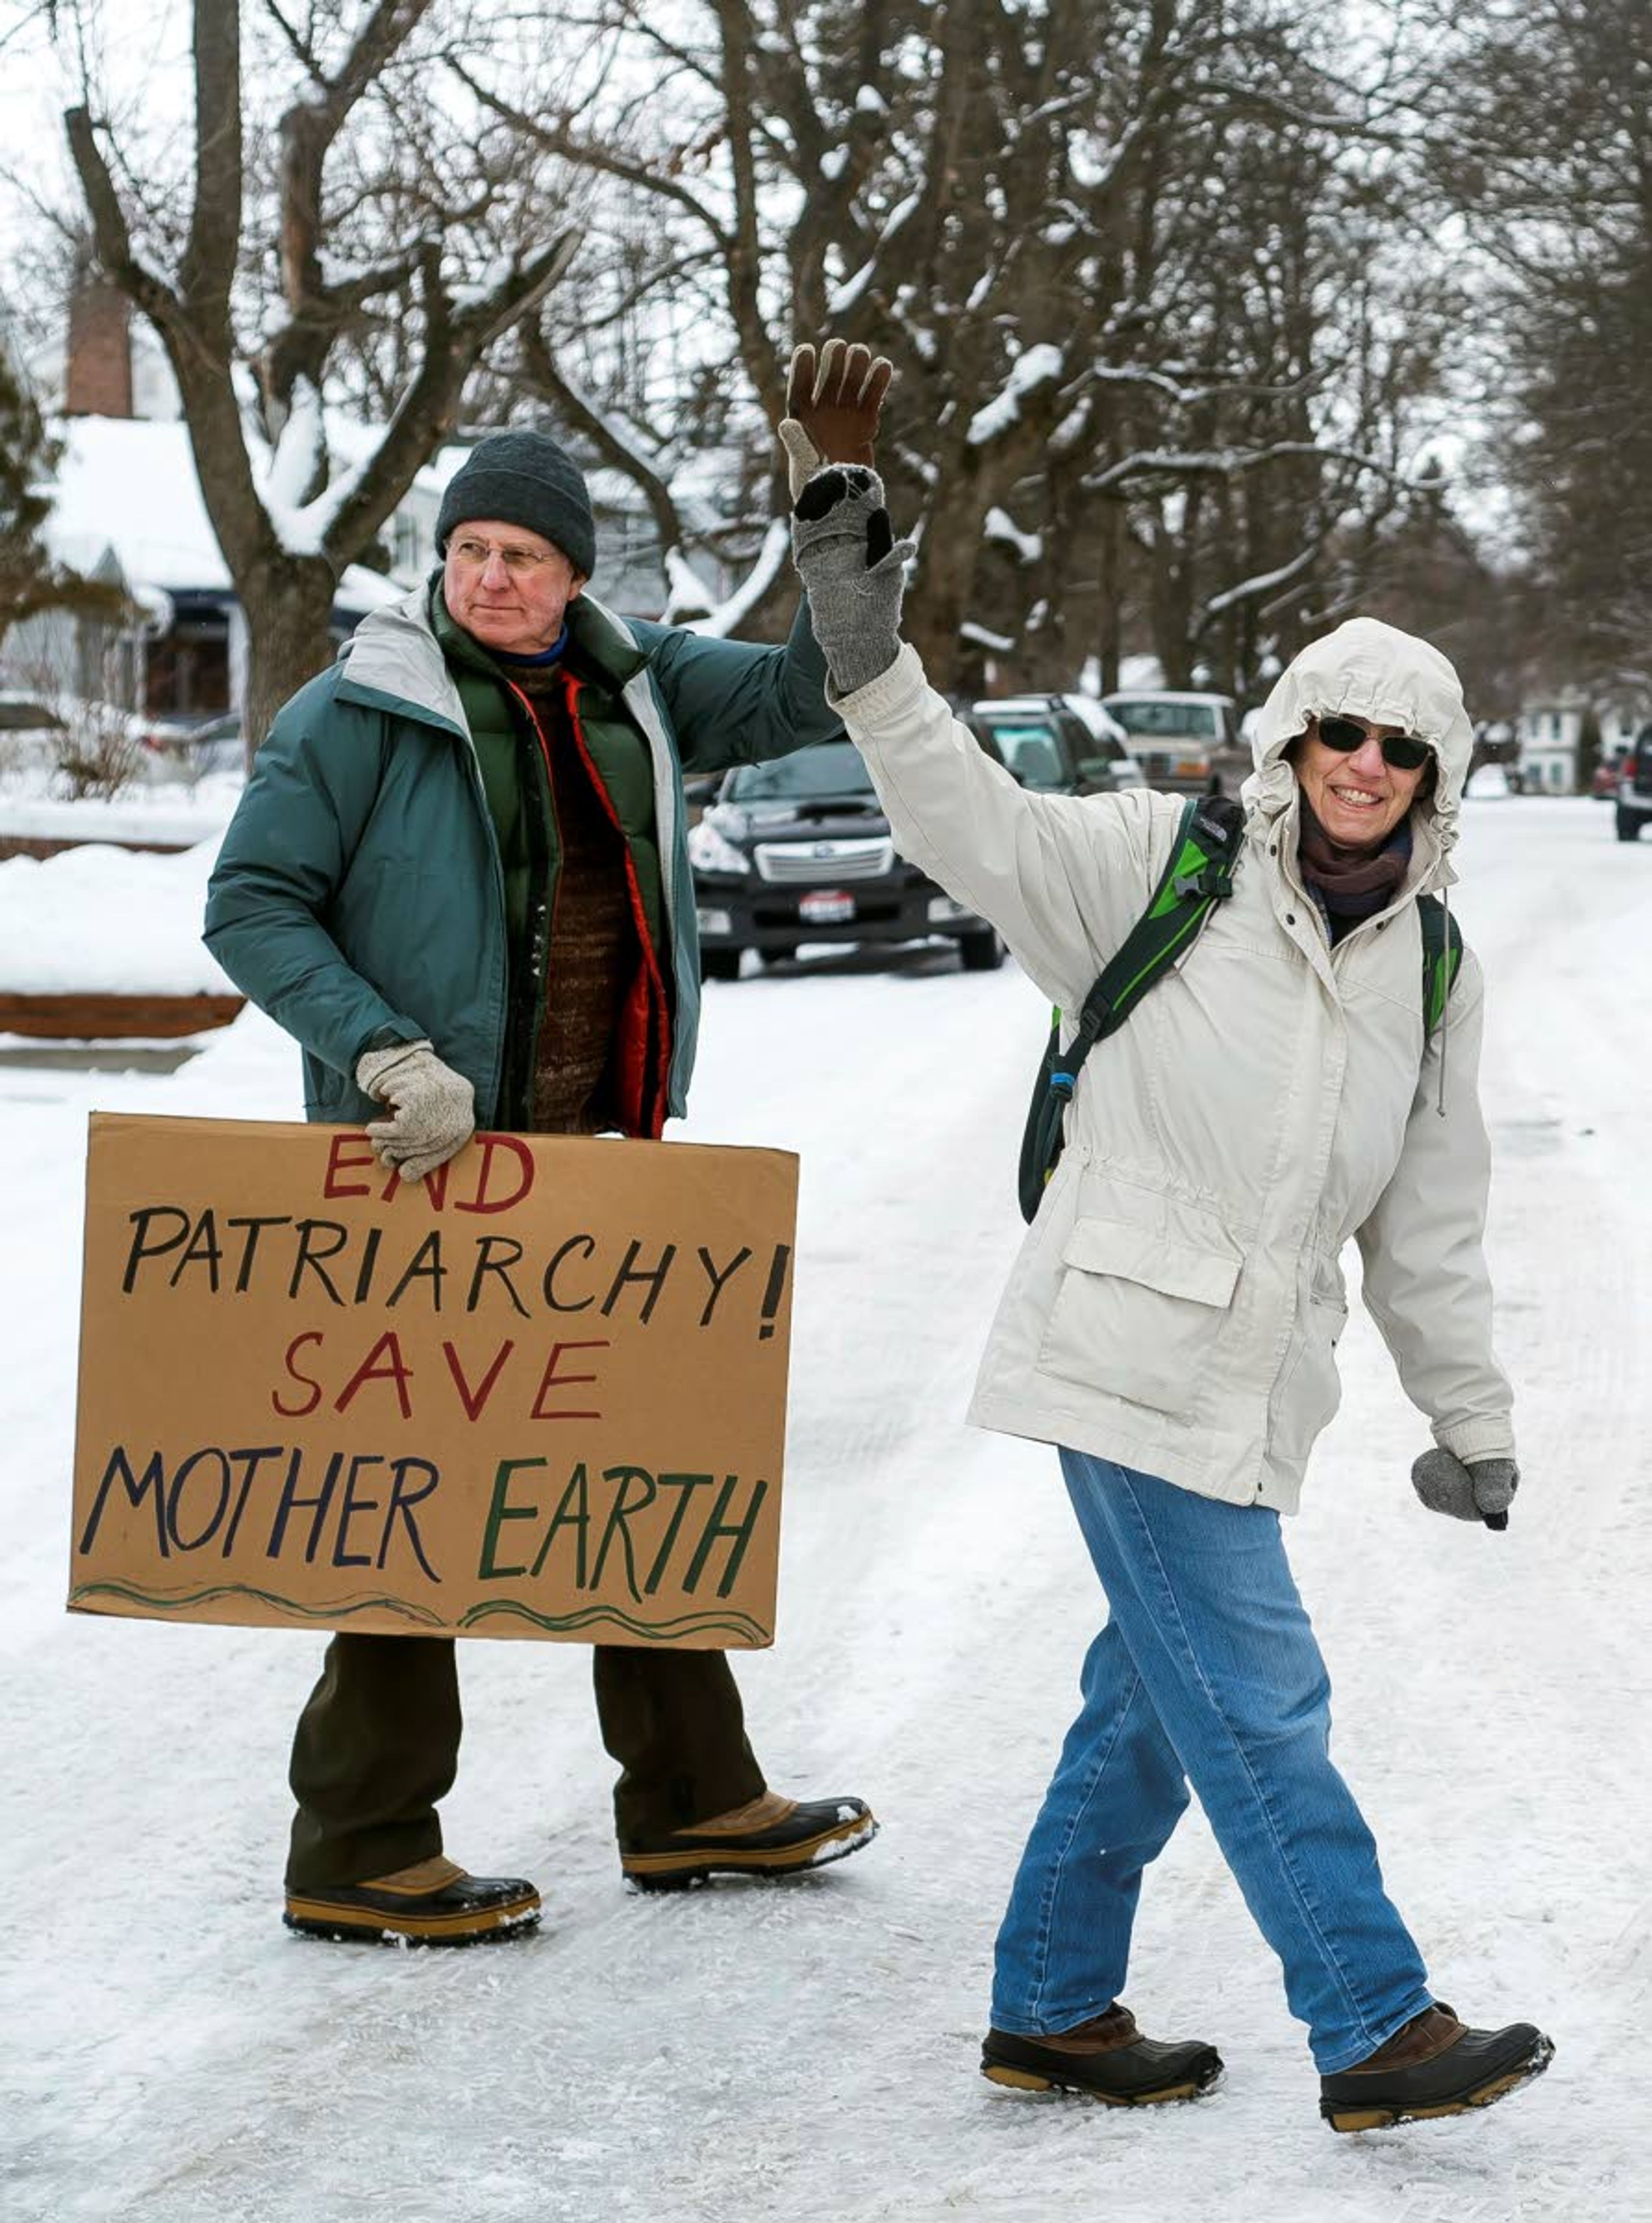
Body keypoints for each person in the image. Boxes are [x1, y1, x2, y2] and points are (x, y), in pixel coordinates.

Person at [785, 460, 1553, 2131]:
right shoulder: (1159, 868)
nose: (1365, 763)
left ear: (1436, 777)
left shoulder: (1431, 964)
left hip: (1259, 1383)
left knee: (1154, 1701)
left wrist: (1468, 1413)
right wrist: (867, 650)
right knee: (1262, 1694)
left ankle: (1051, 2008)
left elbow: (1430, 1219)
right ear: (1292, 739)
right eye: (1342, 730)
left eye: (1400, 745)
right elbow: (965, 813)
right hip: (1125, 1354)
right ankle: (1373, 2019)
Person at [203, 345, 892, 1946]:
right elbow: (251, 902)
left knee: (634, 1474)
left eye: (522, 554)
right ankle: (362, 1842)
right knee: (409, 1495)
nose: (493, 577)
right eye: (470, 551)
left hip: (594, 1152)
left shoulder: (640, 682)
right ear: (441, 564)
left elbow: (818, 688)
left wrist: (841, 521)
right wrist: (379, 1051)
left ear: (574, 572)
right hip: (419, 1162)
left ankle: (692, 1800)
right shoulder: (359, 708)